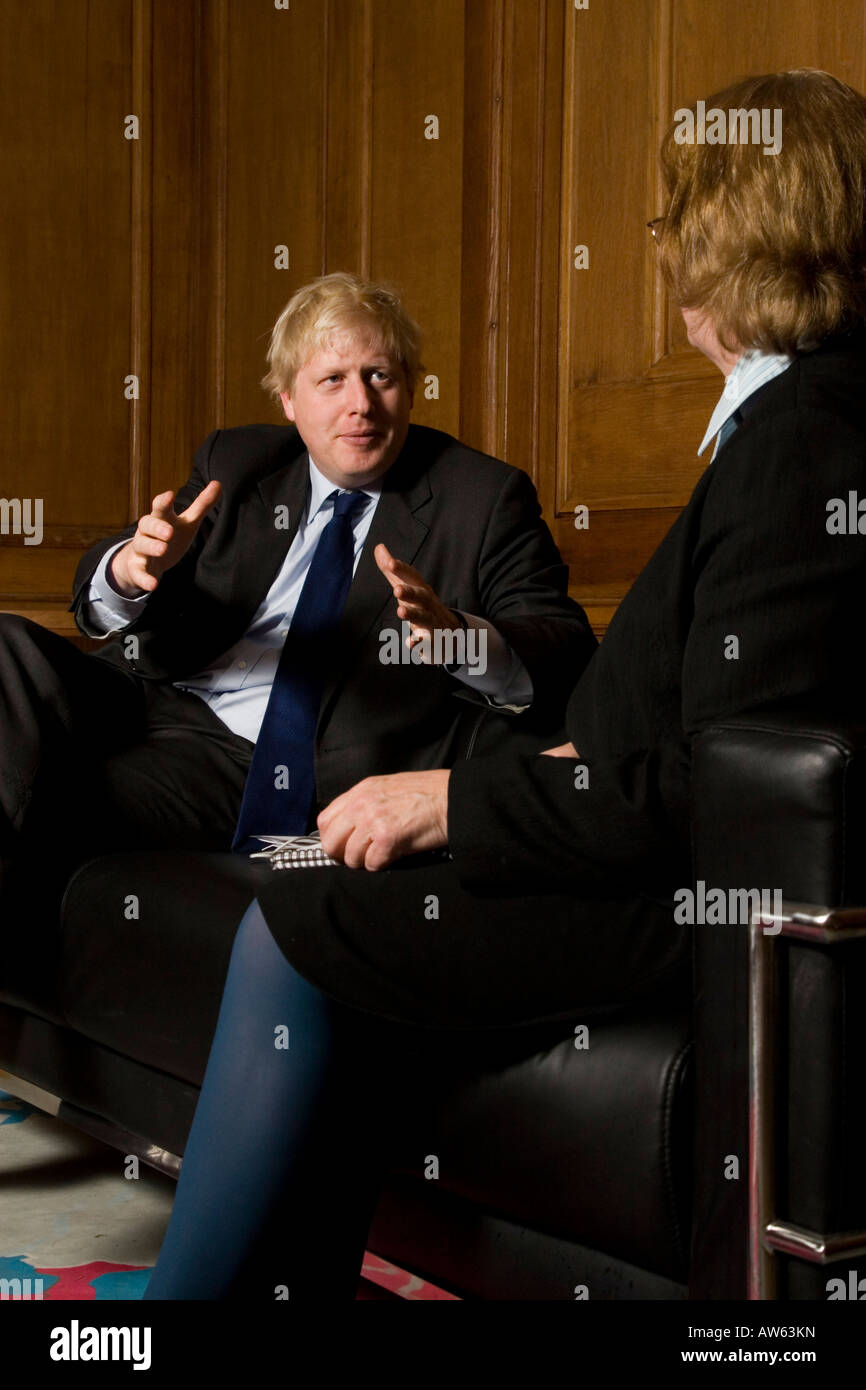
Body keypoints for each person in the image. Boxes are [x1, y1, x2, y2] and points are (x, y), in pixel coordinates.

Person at [143, 67, 866, 1300]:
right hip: (613, 829)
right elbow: (700, 727)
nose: (658, 250)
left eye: (670, 221)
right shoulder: (794, 423)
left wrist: (449, 802)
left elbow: (722, 788)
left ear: (717, 243)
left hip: (682, 898)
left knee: (297, 920)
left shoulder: (797, 439)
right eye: (329, 380)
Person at [0, 274, 593, 900]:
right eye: (332, 379)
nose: (359, 404)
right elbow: (125, 572)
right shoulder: (237, 460)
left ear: (411, 389)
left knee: (54, 802)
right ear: (288, 399)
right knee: (6, 644)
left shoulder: (482, 497)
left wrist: (461, 642)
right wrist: (128, 571)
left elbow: (563, 651)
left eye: (380, 376)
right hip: (142, 691)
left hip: (255, 759)